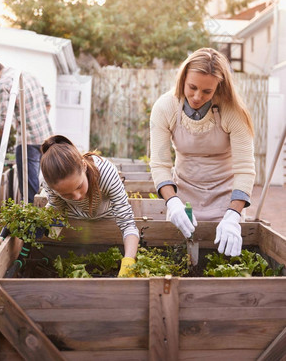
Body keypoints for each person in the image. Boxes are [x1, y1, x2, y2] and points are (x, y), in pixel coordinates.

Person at [149, 47, 255, 257]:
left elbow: (245, 170)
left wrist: (233, 214)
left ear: (219, 87)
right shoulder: (165, 107)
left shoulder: (233, 111)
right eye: (192, 87)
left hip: (225, 197)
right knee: (181, 258)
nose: (197, 97)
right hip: (184, 198)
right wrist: (173, 202)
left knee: (223, 259)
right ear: (183, 79)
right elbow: (160, 164)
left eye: (207, 91)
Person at [40, 135, 139, 277]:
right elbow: (57, 209)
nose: (77, 196)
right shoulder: (49, 183)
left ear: (84, 166)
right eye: (67, 194)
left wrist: (129, 260)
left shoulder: (106, 173)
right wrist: (47, 230)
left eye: (79, 186)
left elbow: (127, 222)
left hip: (108, 219)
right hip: (74, 221)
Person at [0, 57, 53, 203]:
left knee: (29, 193)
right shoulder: (29, 76)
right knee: (51, 185)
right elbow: (47, 104)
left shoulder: (3, 85)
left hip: (27, 142)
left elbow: (5, 122)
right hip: (47, 138)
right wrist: (35, 121)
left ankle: (33, 224)